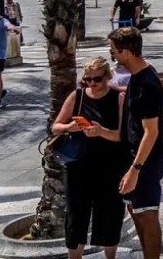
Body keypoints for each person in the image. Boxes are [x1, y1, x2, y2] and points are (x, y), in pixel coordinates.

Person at [51, 57, 125, 259]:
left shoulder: (118, 98)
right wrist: (69, 127)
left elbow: (122, 135)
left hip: (109, 166)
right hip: (78, 166)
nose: (92, 83)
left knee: (110, 213)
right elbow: (56, 126)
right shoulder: (78, 96)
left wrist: (101, 132)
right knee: (76, 215)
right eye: (88, 79)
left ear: (108, 76)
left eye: (97, 79)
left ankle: (110, 257)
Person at [109, 27, 163, 259]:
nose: (112, 56)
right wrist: (108, 88)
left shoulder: (147, 84)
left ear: (127, 52)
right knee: (137, 212)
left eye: (114, 52)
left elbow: (150, 133)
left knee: (147, 216)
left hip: (145, 162)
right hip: (133, 157)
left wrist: (135, 170)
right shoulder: (138, 77)